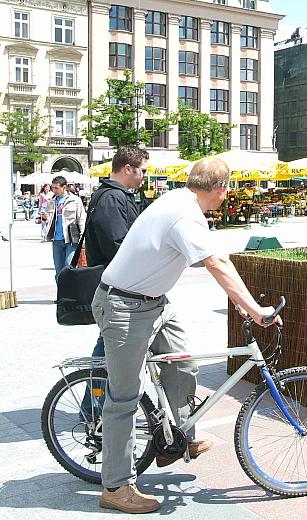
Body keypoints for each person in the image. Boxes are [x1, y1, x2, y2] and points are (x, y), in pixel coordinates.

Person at [92, 157, 281, 514]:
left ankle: (178, 439)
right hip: (123, 307)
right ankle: (115, 487)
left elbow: (208, 257)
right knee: (124, 398)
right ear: (222, 188)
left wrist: (241, 302)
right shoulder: (184, 214)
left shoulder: (181, 202)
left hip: (153, 302)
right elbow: (216, 263)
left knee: (184, 364)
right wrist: (256, 310)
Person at [79, 146, 148, 420]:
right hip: (118, 287)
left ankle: (98, 405)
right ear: (128, 168)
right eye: (142, 170)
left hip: (122, 286)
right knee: (107, 350)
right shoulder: (111, 199)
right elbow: (117, 245)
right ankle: (93, 407)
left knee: (109, 347)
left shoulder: (115, 196)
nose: (144, 176)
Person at [43, 176, 86, 280]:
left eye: (56, 188)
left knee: (68, 267)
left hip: (71, 239)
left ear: (64, 187)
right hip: (56, 239)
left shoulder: (75, 200)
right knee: (58, 271)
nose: (54, 190)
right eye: (53, 188)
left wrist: (83, 238)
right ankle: (61, 294)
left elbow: (82, 219)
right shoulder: (51, 202)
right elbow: (49, 220)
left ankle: (70, 295)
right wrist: (45, 219)